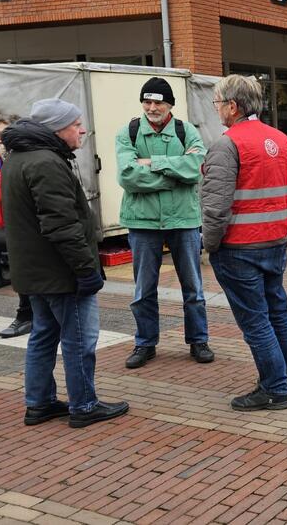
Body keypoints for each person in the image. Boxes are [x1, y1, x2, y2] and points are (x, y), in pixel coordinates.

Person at [1, 99, 129, 428]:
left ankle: (40, 402)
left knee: (43, 335)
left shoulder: (20, 157)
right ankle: (84, 405)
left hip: (37, 272)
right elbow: (61, 225)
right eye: (76, 124)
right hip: (59, 273)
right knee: (79, 339)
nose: (82, 129)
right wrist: (86, 270)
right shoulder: (46, 162)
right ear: (58, 130)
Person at [202, 75, 287, 411]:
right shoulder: (282, 140)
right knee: (277, 311)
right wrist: (284, 234)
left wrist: (211, 244)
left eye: (217, 103)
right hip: (273, 242)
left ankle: (274, 389)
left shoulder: (227, 145)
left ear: (233, 106)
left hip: (239, 248)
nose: (216, 110)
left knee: (255, 320)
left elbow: (216, 207)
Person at [117, 78, 213, 369]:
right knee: (144, 288)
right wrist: (174, 170)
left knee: (193, 286)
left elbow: (197, 168)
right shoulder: (129, 132)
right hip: (143, 222)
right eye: (147, 101)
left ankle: (199, 340)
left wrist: (153, 162)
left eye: (158, 102)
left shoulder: (186, 131)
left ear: (170, 104)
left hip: (184, 220)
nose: (152, 107)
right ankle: (145, 343)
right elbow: (127, 176)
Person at [0, 115, 34, 338]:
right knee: (18, 269)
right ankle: (27, 314)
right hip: (4, 225)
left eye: (1, 133)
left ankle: (27, 316)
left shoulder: (19, 158)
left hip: (23, 228)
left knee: (26, 272)